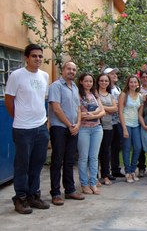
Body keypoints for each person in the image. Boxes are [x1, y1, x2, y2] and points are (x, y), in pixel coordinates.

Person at [5, 44, 50, 214]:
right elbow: (9, 100)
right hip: (23, 129)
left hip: (40, 127)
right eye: (34, 56)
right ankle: (21, 198)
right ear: (27, 58)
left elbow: (39, 99)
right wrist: (18, 118)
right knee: (22, 165)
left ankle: (34, 196)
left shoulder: (44, 76)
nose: (38, 59)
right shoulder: (17, 76)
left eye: (40, 56)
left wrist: (42, 122)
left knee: (37, 164)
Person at [48, 61, 85, 206]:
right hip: (59, 128)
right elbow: (56, 109)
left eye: (74, 69)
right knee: (57, 161)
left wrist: (78, 124)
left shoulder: (75, 87)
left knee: (70, 160)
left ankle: (70, 190)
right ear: (62, 70)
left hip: (74, 128)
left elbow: (78, 108)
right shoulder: (56, 86)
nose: (71, 71)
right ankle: (56, 193)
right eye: (69, 68)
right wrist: (69, 124)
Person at [77, 73, 105, 195]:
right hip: (83, 129)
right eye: (86, 81)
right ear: (81, 82)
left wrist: (92, 115)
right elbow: (78, 113)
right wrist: (92, 114)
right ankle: (84, 184)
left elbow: (102, 110)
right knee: (83, 157)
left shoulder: (95, 94)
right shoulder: (77, 95)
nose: (89, 83)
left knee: (94, 157)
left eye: (91, 81)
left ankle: (93, 182)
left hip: (97, 128)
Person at [119, 75, 143, 183]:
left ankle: (133, 170)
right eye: (131, 82)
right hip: (126, 124)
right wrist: (124, 128)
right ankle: (128, 172)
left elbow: (140, 112)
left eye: (135, 82)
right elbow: (120, 111)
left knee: (138, 147)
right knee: (127, 148)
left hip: (136, 124)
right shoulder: (124, 95)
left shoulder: (140, 96)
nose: (133, 84)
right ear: (128, 83)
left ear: (138, 84)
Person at [96, 73, 118, 186]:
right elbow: (95, 107)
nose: (104, 83)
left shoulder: (110, 95)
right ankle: (95, 177)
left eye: (106, 81)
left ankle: (105, 175)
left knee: (105, 151)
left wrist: (102, 108)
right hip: (96, 125)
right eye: (101, 80)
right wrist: (107, 109)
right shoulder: (95, 94)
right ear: (98, 82)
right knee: (95, 152)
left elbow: (115, 108)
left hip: (108, 126)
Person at [103, 67, 124, 179]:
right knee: (106, 148)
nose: (115, 75)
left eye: (115, 73)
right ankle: (105, 171)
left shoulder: (118, 88)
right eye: (112, 73)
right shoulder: (105, 90)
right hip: (107, 122)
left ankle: (115, 169)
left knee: (116, 146)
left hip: (117, 121)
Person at [138, 69, 147, 177]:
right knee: (141, 146)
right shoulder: (137, 90)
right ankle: (141, 167)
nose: (145, 79)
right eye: (143, 77)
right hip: (139, 120)